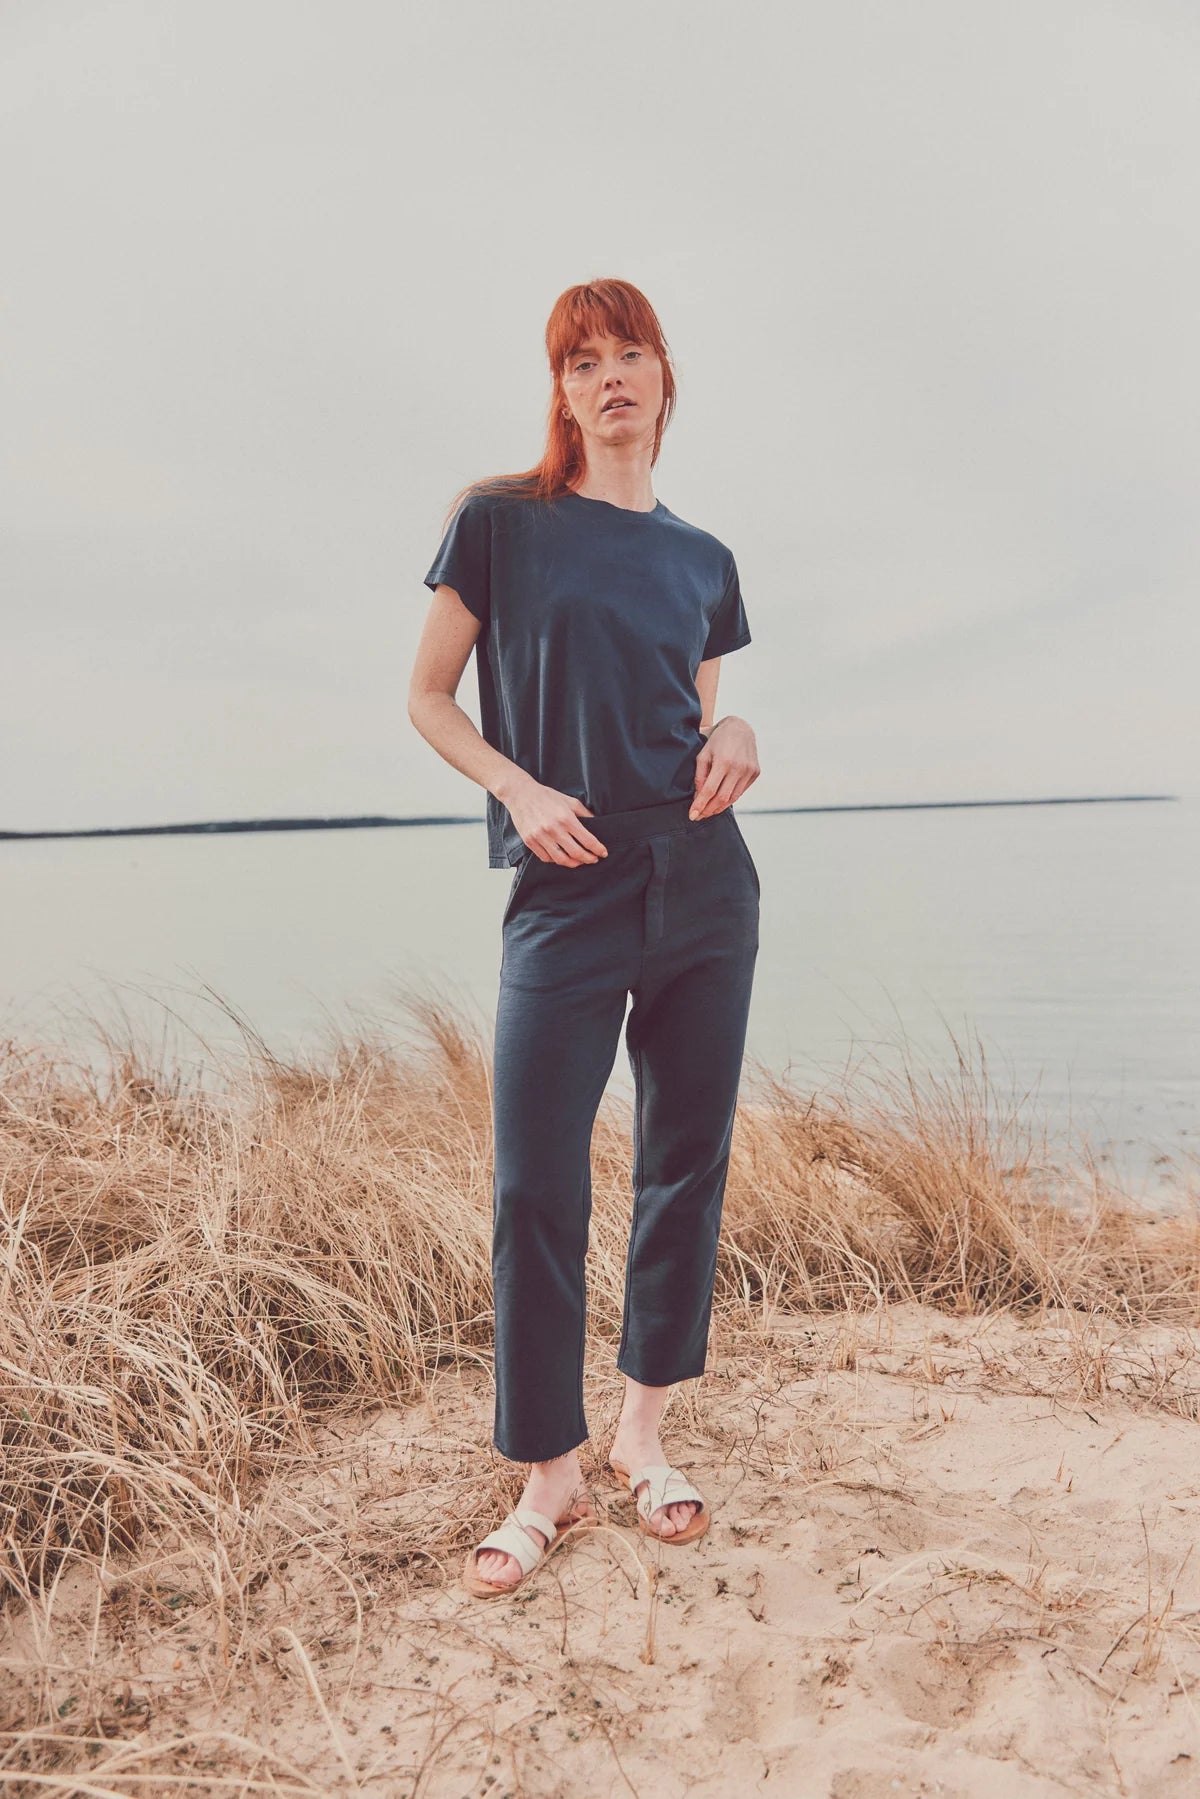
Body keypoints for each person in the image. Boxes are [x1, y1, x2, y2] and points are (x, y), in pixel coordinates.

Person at [409, 278, 761, 1599]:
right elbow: (428, 697)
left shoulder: (703, 558)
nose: (611, 376)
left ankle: (643, 1437)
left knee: (685, 1159)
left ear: (665, 379)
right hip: (565, 881)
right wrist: (518, 789)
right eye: (583, 360)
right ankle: (547, 1472)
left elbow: (696, 717)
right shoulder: (499, 523)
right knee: (534, 1182)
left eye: (631, 354)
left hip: (703, 878)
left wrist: (738, 731)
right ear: (561, 392)